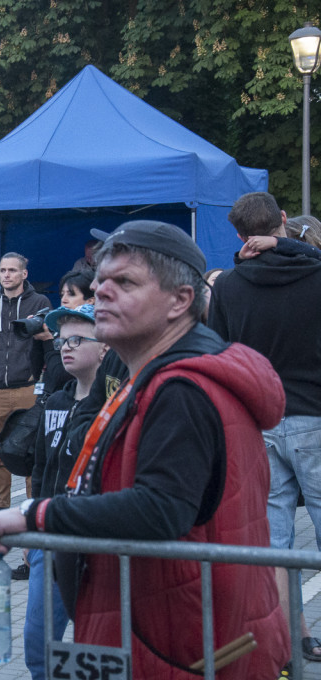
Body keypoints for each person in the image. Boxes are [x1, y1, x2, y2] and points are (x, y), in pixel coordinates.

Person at [0, 221, 289, 680]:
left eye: (125, 282)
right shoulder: (158, 376)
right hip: (170, 632)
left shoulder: (183, 389)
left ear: (181, 301)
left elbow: (161, 510)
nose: (101, 293)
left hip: (182, 646)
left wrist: (34, 515)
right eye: (100, 282)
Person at [208, 192, 321, 666]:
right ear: (282, 220)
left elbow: (218, 354)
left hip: (261, 425)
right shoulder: (316, 274)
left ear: (238, 235)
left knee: (273, 547)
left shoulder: (230, 286)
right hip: (316, 418)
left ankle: (288, 648)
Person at [23, 303, 104, 680]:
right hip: (49, 536)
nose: (65, 347)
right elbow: (41, 468)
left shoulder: (114, 405)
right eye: (60, 340)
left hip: (97, 543)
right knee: (38, 644)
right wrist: (32, 523)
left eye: (76, 339)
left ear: (105, 346)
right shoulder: (54, 402)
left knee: (100, 644)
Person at [0, 253, 52, 510]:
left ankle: (32, 507)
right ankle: (1, 504)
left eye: (12, 271)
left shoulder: (40, 302)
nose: (6, 275)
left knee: (31, 452)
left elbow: (47, 342)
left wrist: (41, 378)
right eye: (3, 270)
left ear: (24, 274)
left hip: (27, 389)